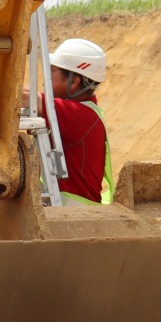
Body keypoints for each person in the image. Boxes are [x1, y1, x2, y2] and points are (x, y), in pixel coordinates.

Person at [47, 38, 113, 205]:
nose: (45, 79)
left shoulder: (77, 115)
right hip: (74, 212)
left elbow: (26, 99)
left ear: (74, 82)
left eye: (52, 71)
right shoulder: (87, 113)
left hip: (74, 214)